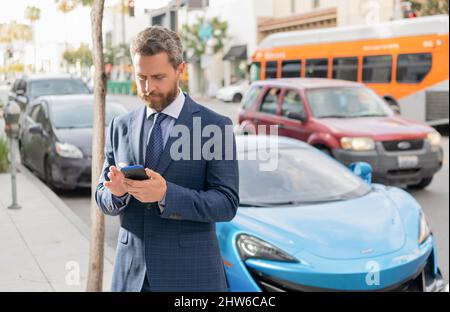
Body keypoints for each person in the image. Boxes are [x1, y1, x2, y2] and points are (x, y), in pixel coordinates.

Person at [95, 26, 240, 292]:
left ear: (180, 69)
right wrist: (115, 193)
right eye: (141, 77)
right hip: (131, 278)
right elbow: (101, 194)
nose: (148, 88)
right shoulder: (120, 125)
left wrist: (166, 195)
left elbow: (227, 203)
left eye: (158, 77)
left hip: (190, 278)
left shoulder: (215, 126)